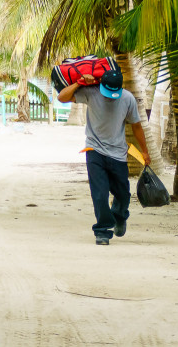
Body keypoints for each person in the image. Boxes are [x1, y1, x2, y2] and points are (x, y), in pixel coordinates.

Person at [58, 67, 150, 245]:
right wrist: (79, 83)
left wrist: (145, 151)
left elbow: (137, 126)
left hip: (118, 153)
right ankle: (102, 231)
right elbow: (62, 97)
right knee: (99, 195)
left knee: (123, 194)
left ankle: (120, 216)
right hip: (94, 150)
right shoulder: (91, 92)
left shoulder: (128, 98)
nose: (109, 96)